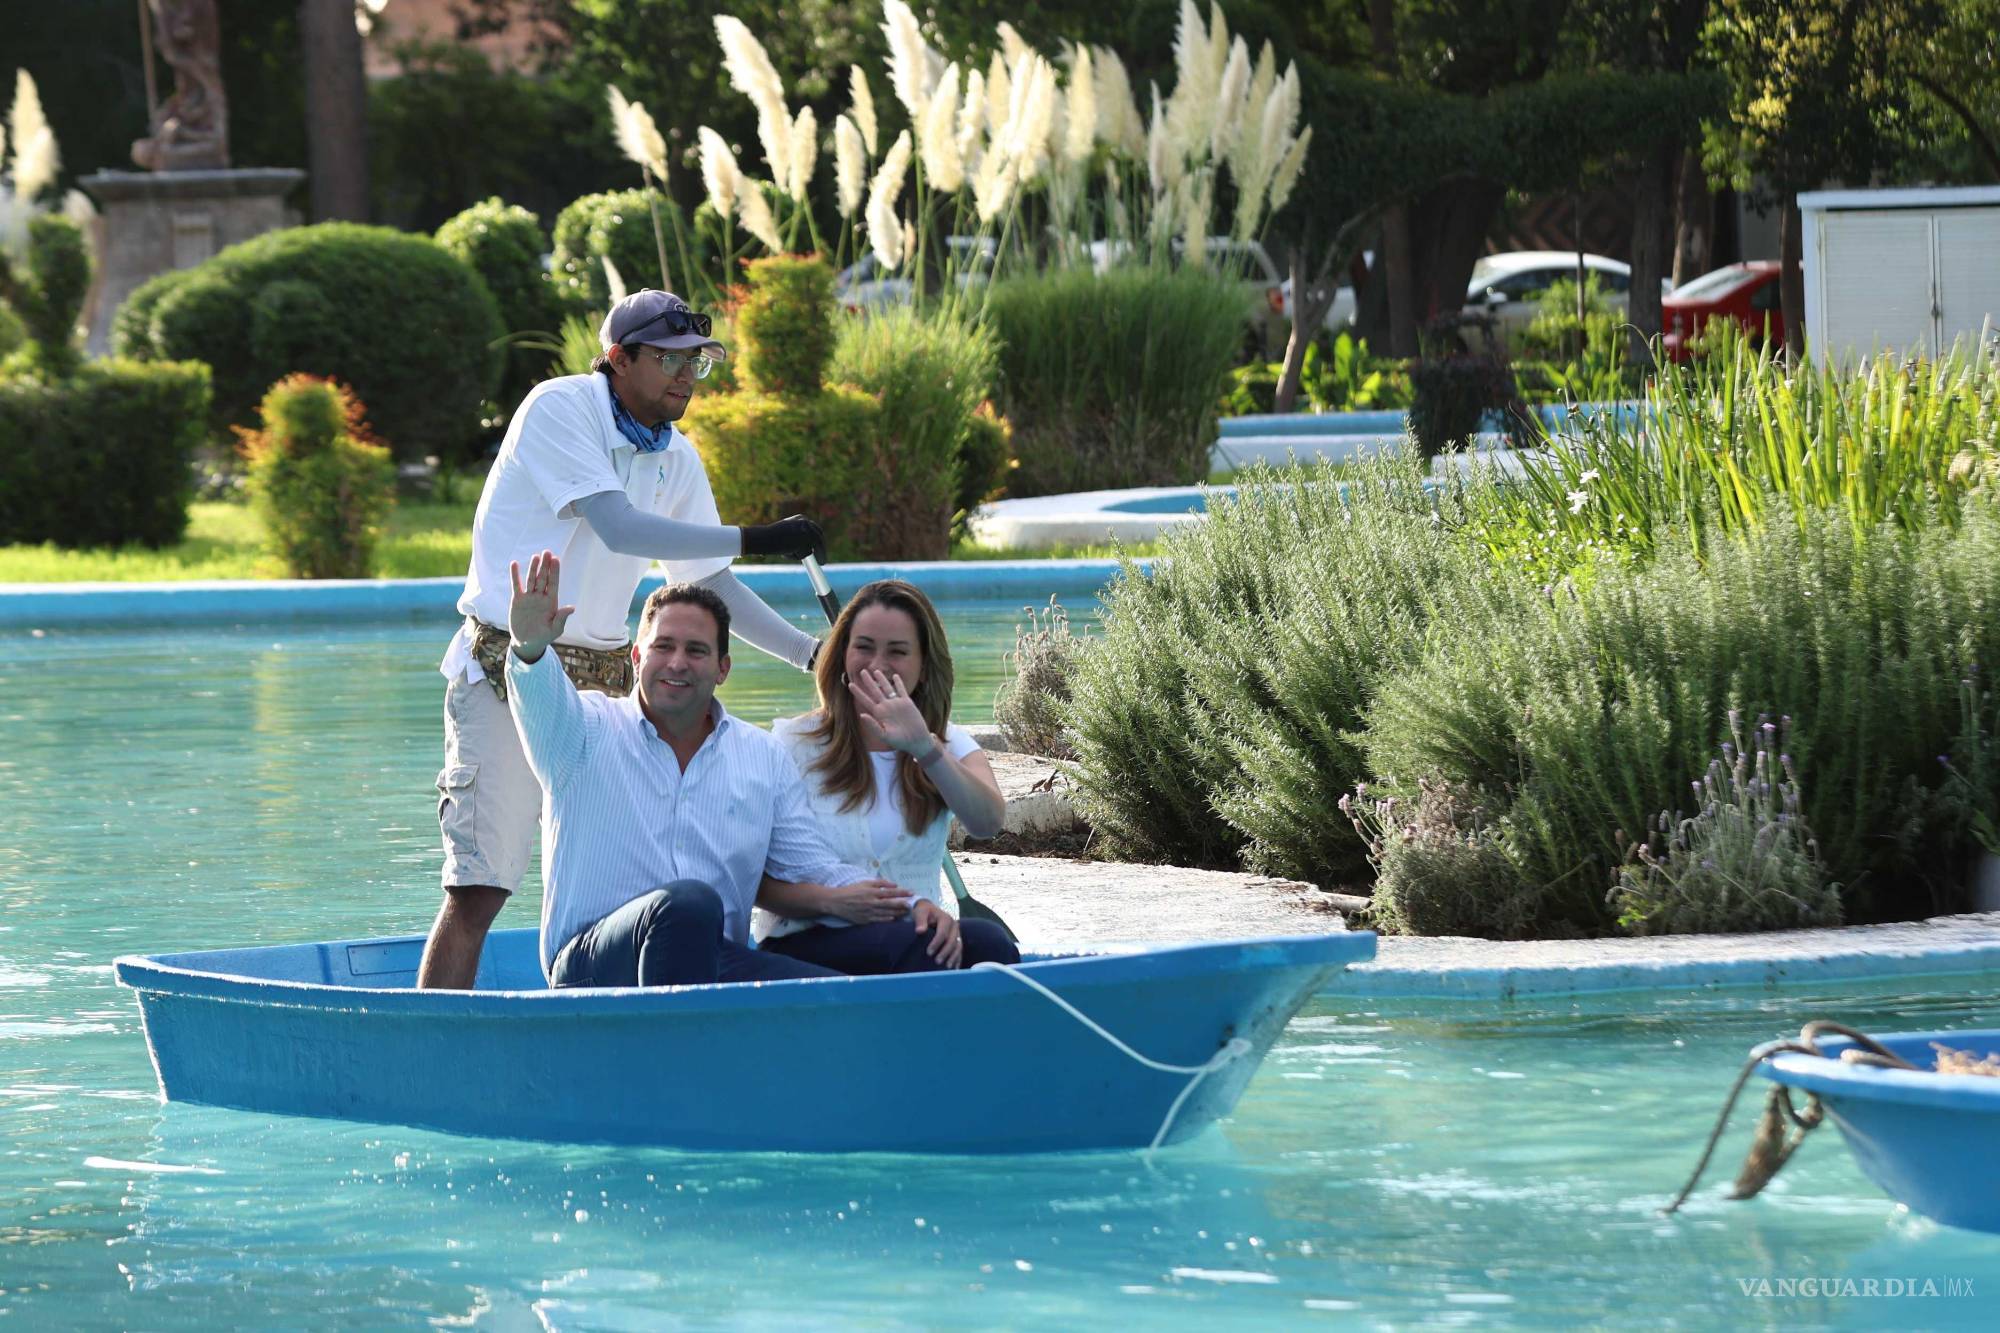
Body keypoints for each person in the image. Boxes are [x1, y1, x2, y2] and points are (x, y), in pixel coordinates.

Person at [420, 289, 828, 990]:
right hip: (508, 666)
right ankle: (432, 1044)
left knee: (627, 883)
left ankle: (617, 1022)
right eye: (669, 359)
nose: (686, 375)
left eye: (696, 362)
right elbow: (618, 527)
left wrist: (813, 656)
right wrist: (762, 536)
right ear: (618, 358)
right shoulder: (560, 408)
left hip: (606, 691)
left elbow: (711, 582)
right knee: (479, 888)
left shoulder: (677, 457)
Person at [502, 551, 950, 987]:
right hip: (592, 968)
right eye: (663, 646)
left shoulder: (762, 755)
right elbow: (540, 700)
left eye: (696, 651)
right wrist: (529, 648)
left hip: (711, 962)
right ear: (636, 658)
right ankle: (674, 1039)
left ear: (723, 669)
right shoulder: (585, 729)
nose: (677, 662)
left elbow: (810, 866)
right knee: (689, 903)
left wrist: (913, 905)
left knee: (837, 998)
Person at [754, 580, 1021, 974]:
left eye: (897, 651)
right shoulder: (792, 744)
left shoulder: (947, 742)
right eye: (864, 647)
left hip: (912, 933)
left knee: (990, 943)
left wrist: (926, 750)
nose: (877, 664)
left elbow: (987, 822)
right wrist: (831, 902)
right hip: (807, 935)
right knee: (924, 949)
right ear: (842, 654)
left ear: (924, 667)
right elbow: (753, 882)